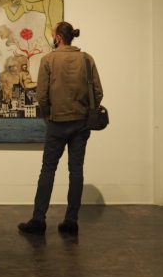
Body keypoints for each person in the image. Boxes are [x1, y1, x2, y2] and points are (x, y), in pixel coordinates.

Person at [18, 22, 103, 236]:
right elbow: (98, 92)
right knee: (76, 171)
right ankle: (71, 221)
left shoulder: (49, 60)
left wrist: (48, 115)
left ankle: (38, 219)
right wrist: (85, 111)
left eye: (53, 34)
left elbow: (42, 96)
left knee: (48, 170)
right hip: (81, 124)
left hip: (57, 123)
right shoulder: (86, 59)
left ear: (58, 38)